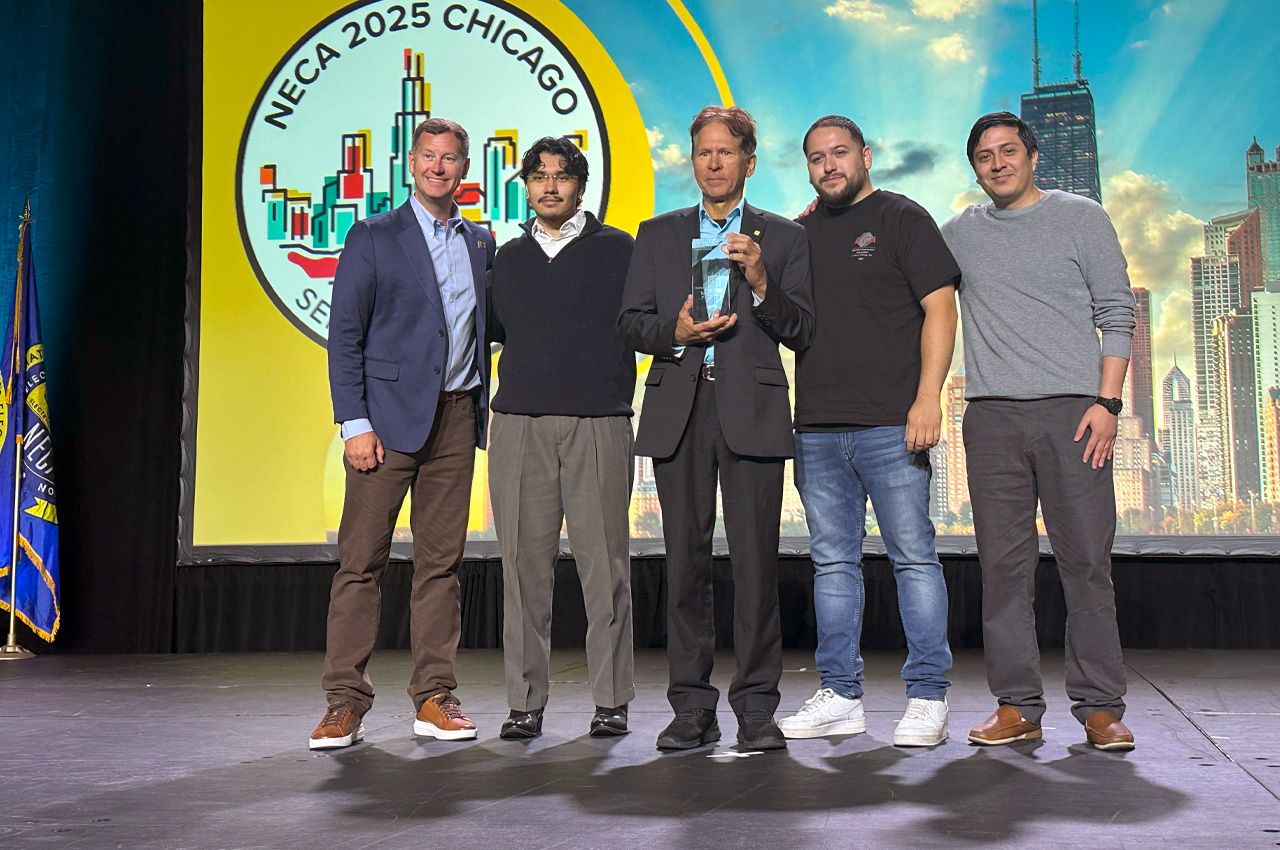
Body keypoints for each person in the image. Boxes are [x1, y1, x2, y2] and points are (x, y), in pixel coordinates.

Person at [618, 105, 814, 751]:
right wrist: (670, 334)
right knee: (685, 567)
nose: (714, 162)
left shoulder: (783, 237)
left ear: (748, 162)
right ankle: (691, 708)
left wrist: (759, 281)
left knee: (757, 567)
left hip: (751, 413)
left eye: (726, 152)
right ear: (693, 161)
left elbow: (801, 329)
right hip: (680, 413)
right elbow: (630, 324)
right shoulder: (657, 233)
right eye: (703, 151)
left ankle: (757, 708)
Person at [941, 111, 1136, 751]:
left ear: (1031, 157)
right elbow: (896, 260)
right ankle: (1017, 705)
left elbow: (1116, 310)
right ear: (974, 167)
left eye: (1008, 151)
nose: (997, 164)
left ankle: (1101, 708)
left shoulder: (1081, 216)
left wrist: (1108, 403)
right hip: (992, 417)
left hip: (1075, 413)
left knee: (1086, 563)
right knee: (1003, 570)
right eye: (985, 156)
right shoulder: (959, 234)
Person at [310, 117, 495, 750]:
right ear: (410, 164)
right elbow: (346, 336)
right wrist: (353, 423)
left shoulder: (481, 242)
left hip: (456, 417)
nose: (439, 167)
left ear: (463, 170)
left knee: (440, 567)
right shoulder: (374, 236)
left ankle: (434, 696)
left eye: (450, 159)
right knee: (360, 564)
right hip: (384, 425)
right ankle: (344, 701)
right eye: (428, 156)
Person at [779, 115, 957, 747]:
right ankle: (840, 695)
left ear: (866, 155)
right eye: (816, 157)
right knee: (832, 565)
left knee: (914, 560)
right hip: (819, 430)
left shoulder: (904, 217)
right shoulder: (798, 234)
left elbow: (941, 306)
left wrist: (926, 400)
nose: (829, 166)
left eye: (840, 153)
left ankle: (928, 695)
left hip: (892, 425)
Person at [487, 136, 637, 740]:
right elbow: (495, 332)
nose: (550, 185)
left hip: (599, 423)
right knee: (524, 572)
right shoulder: (508, 258)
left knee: (607, 569)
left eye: (563, 175)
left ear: (582, 184)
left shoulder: (620, 250)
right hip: (519, 424)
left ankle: (611, 699)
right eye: (539, 175)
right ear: (525, 184)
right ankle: (524, 701)